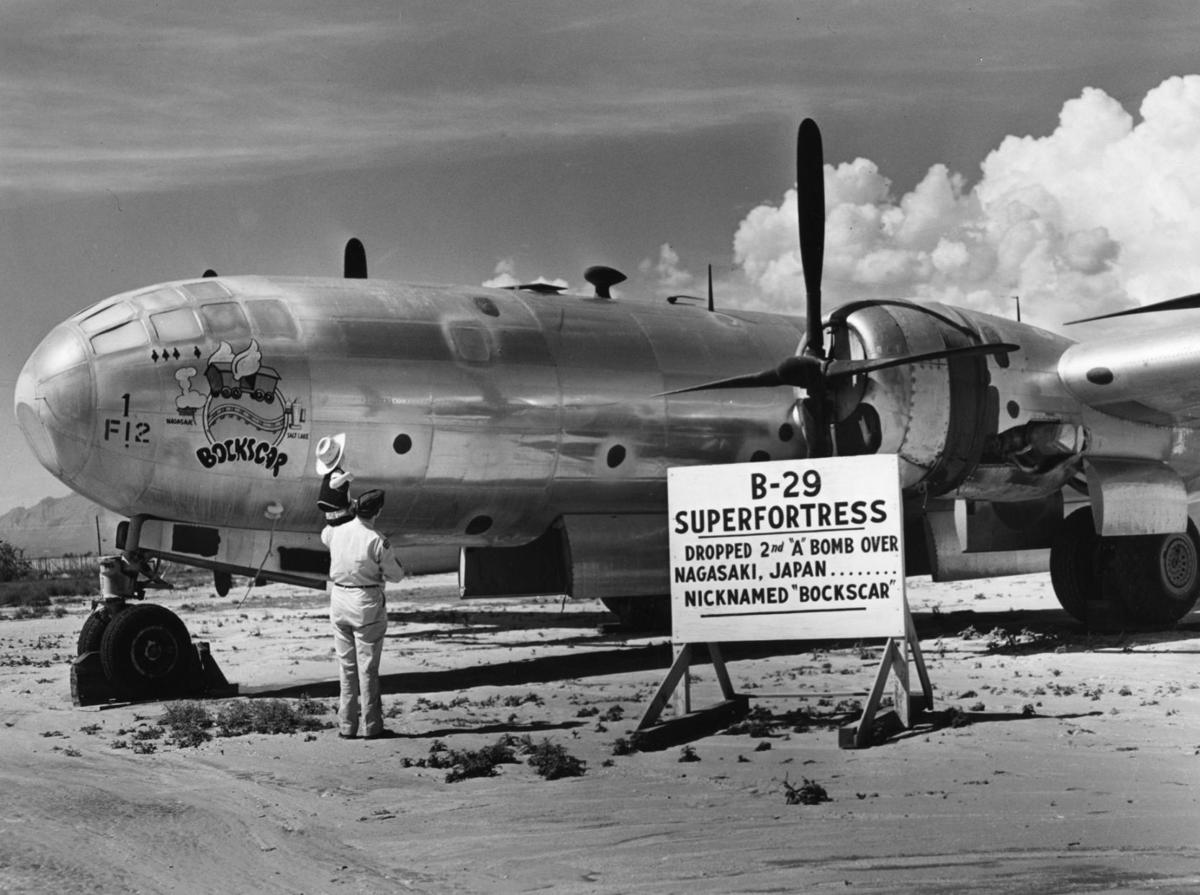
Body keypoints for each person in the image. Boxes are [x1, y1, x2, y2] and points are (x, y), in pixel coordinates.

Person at [321, 488, 406, 738]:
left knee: (346, 668)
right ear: (378, 512)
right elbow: (397, 575)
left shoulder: (335, 532)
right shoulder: (377, 539)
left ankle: (347, 726)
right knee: (367, 669)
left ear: (356, 508)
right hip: (365, 602)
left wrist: (345, 511)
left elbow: (325, 533)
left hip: (339, 599)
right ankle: (372, 726)